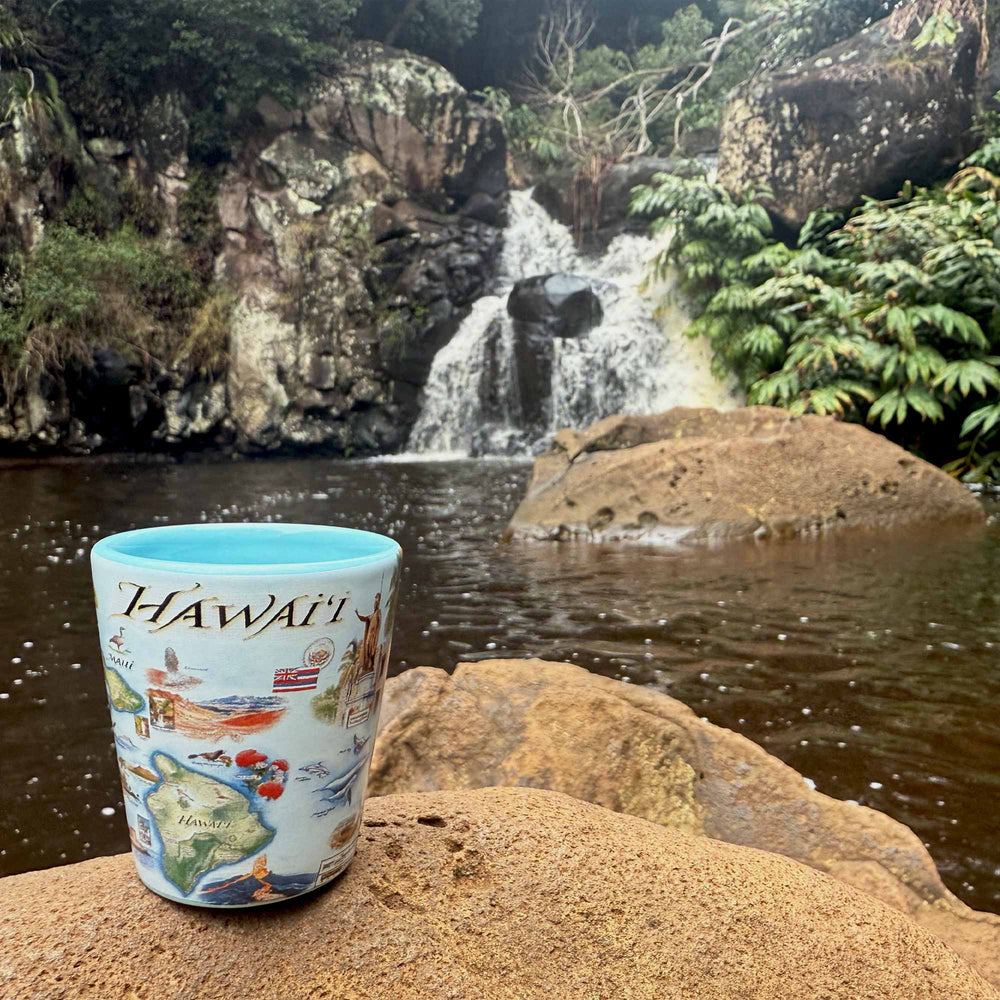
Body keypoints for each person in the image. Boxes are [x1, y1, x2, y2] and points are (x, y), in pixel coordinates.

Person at [355, 592, 382, 676]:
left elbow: (377, 623)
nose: (375, 604)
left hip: (373, 636)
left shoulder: (378, 614)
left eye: (376, 603)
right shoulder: (372, 615)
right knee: (366, 648)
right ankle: (367, 665)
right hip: (369, 636)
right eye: (375, 603)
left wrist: (378, 598)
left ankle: (371, 665)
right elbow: (364, 619)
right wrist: (357, 614)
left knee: (371, 649)